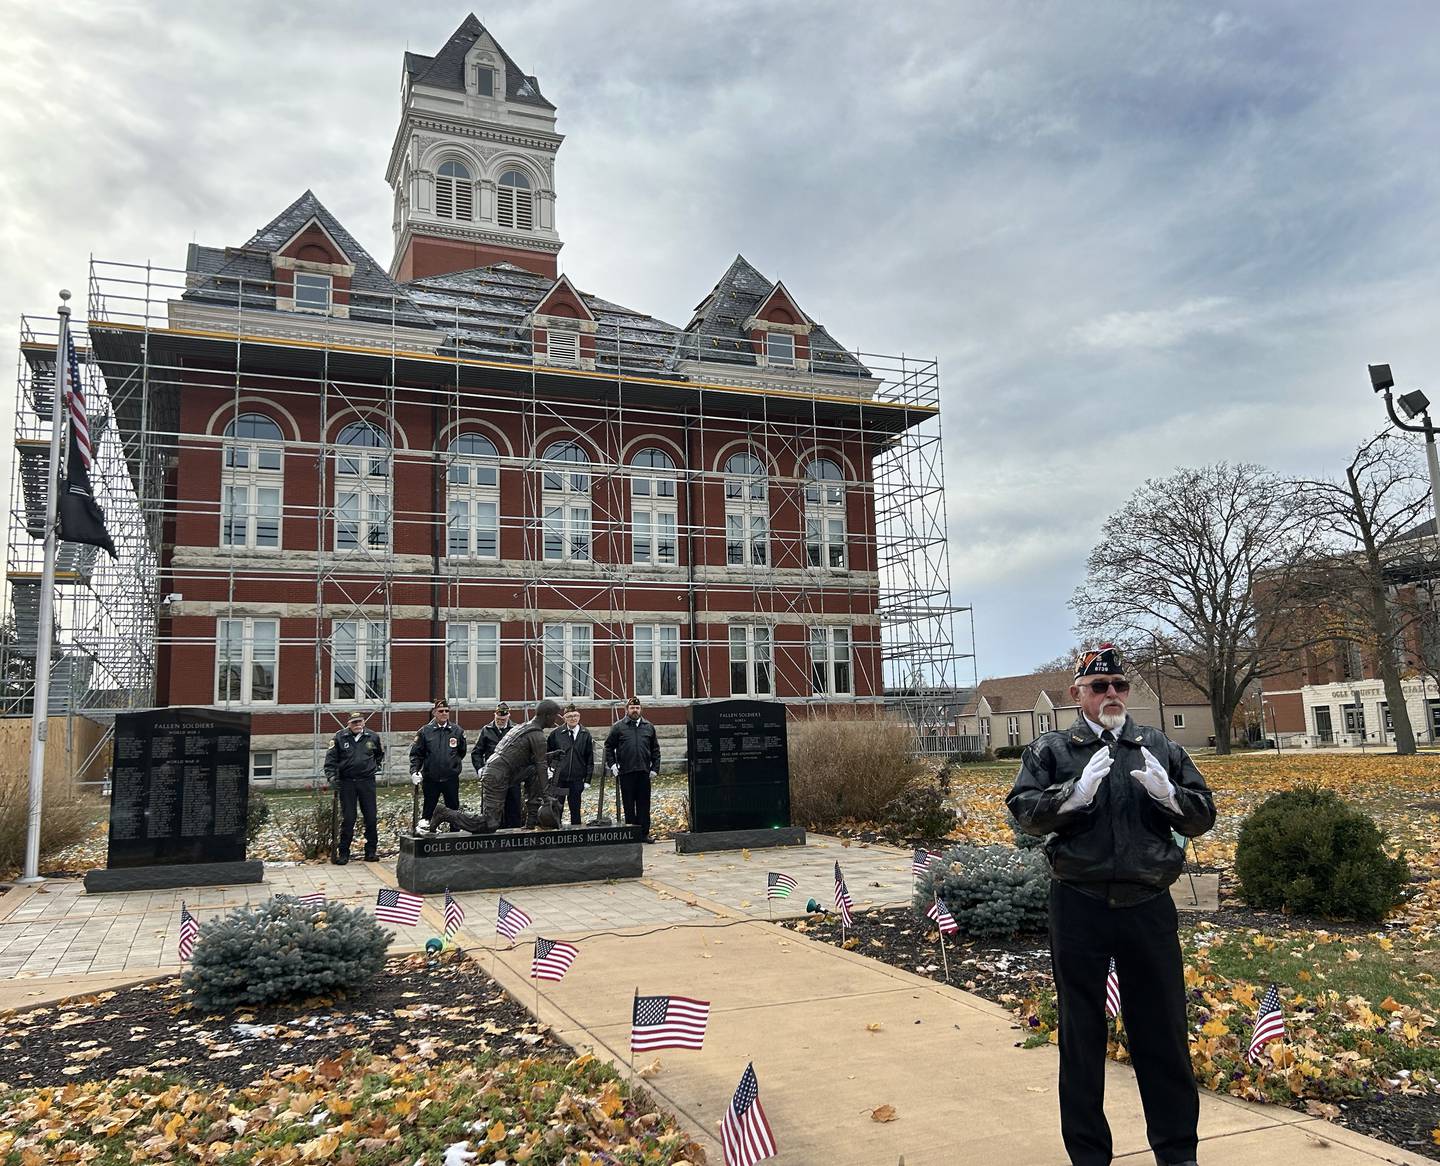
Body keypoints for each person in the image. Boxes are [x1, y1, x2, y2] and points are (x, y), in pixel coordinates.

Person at [1006, 644, 1216, 1166]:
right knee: (1082, 1034)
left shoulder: (1158, 745)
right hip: (1080, 902)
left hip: (1147, 902)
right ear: (1078, 694)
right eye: (1099, 687)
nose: (1112, 695)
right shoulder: (1053, 749)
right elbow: (1024, 812)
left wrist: (1170, 795)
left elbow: (1201, 815)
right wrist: (1073, 794)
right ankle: (1089, 1155)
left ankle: (1177, 1152)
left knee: (1162, 1030)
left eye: (1119, 685)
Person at [433, 699, 565, 834]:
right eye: (555, 715)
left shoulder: (522, 727)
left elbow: (530, 760)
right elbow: (541, 765)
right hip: (497, 775)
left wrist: (550, 755)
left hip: (500, 771)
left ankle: (531, 822)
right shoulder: (537, 735)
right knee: (490, 823)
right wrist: (547, 795)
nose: (556, 720)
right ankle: (444, 813)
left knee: (533, 771)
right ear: (547, 715)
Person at [323, 710, 384, 865]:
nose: (358, 725)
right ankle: (343, 853)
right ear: (348, 724)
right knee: (349, 818)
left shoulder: (373, 737)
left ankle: (371, 851)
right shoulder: (339, 737)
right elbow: (330, 761)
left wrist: (373, 768)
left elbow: (379, 755)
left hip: (366, 782)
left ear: (364, 722)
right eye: (354, 722)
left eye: (360, 722)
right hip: (347, 782)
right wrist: (331, 777)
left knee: (371, 817)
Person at [603, 697, 660, 842]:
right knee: (628, 804)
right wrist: (613, 765)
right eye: (632, 708)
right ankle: (631, 834)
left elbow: (655, 749)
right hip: (626, 771)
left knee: (643, 804)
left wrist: (655, 768)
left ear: (641, 709)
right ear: (627, 710)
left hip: (643, 772)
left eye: (637, 708)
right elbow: (608, 747)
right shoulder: (618, 727)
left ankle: (644, 833)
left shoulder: (649, 726)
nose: (635, 710)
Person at [409, 699, 468, 835]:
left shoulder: (457, 731)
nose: (444, 713)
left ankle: (455, 839)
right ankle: (427, 840)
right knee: (428, 810)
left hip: (450, 779)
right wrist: (414, 772)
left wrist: (452, 765)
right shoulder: (425, 731)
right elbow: (417, 755)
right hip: (431, 779)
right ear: (434, 712)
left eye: (447, 711)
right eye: (441, 711)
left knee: (453, 811)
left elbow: (461, 752)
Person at [473, 702, 522, 828]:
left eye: (503, 719)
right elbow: (477, 752)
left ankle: (514, 838)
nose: (500, 721)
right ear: (494, 715)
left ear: (508, 716)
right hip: (493, 778)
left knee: (513, 809)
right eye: (498, 719)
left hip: (511, 777)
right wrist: (480, 769)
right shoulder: (487, 730)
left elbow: (522, 753)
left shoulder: (516, 730)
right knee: (492, 810)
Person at [547, 703, 595, 826]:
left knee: (575, 809)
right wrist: (549, 772)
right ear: (564, 718)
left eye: (575, 716)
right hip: (560, 779)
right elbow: (548, 754)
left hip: (576, 779)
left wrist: (588, 779)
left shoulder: (585, 734)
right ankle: (556, 834)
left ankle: (577, 836)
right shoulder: (556, 734)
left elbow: (589, 758)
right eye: (569, 716)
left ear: (579, 717)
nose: (573, 719)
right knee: (557, 807)